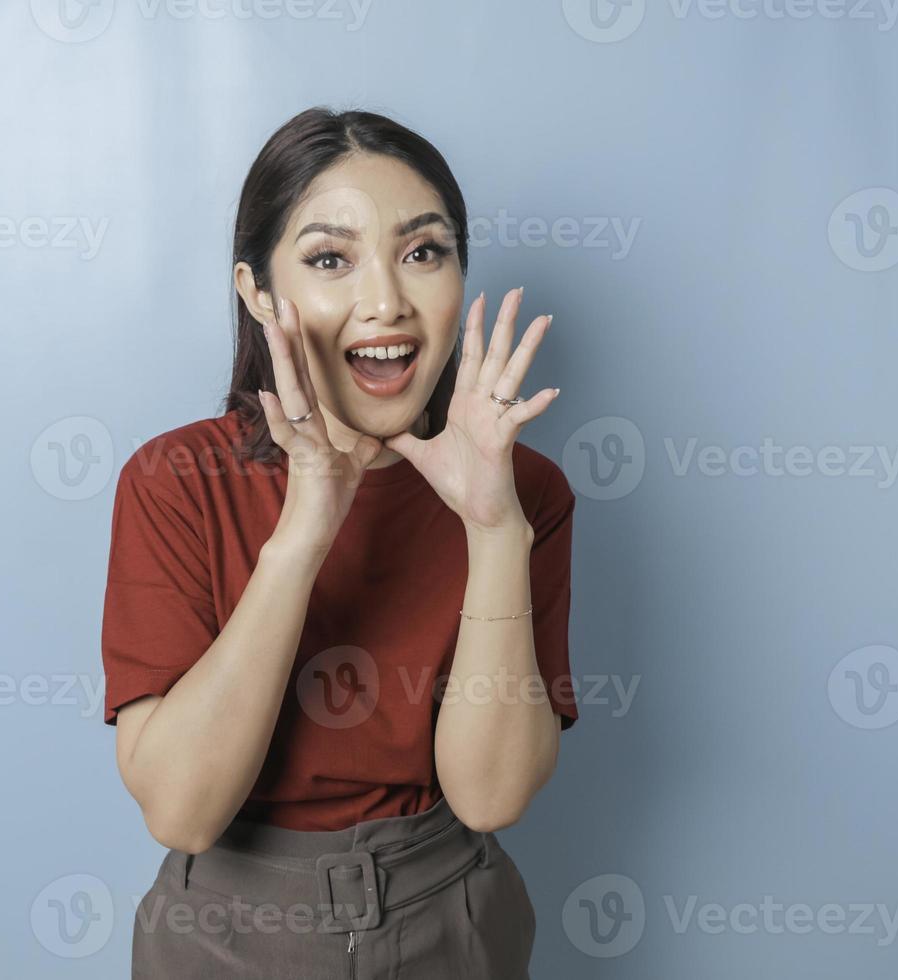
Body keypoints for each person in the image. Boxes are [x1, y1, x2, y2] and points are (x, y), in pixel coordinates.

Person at [101, 106, 579, 979]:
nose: (387, 301)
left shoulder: (526, 493)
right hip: (227, 931)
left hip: (455, 920)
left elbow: (491, 794)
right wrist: (306, 526)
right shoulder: (173, 482)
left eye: (422, 252)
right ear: (257, 292)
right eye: (330, 259)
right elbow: (182, 812)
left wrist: (495, 528)